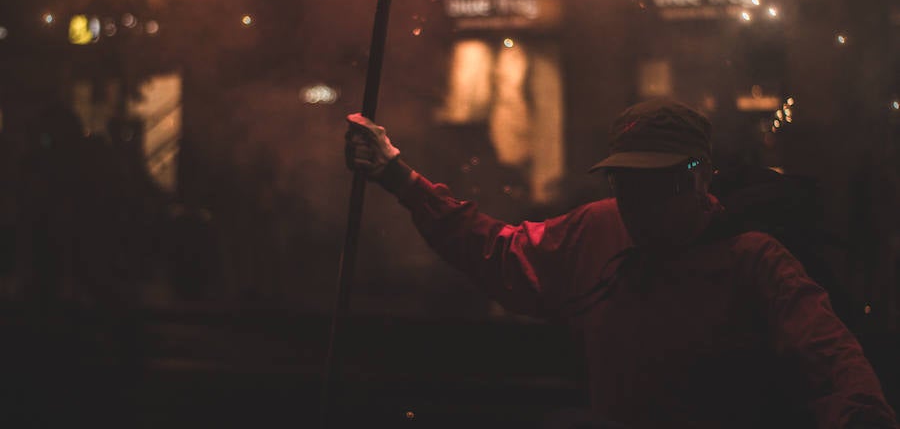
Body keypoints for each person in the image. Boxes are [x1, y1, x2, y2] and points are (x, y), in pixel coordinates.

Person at [344, 97, 898, 429]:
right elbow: (498, 251)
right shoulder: (596, 228)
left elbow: (832, 357)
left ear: (703, 176)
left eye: (662, 182)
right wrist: (399, 177)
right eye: (627, 181)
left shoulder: (753, 260)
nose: (642, 202)